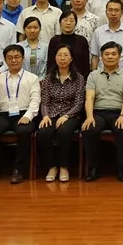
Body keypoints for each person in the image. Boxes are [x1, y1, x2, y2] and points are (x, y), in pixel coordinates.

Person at [0, 44, 40, 185]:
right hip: (3, 115)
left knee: (24, 131)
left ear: (23, 58)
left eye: (17, 57)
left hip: (24, 113)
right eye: (10, 58)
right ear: (5, 60)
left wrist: (28, 116)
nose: (14, 60)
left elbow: (35, 100)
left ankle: (19, 169)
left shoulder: (32, 78)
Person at [82, 41, 123, 182]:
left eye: (113, 54)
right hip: (98, 112)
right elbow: (89, 97)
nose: (110, 57)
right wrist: (89, 116)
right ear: (101, 57)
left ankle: (122, 168)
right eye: (106, 54)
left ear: (119, 56)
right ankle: (93, 168)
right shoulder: (93, 75)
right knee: (89, 129)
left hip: (118, 112)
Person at [37, 44, 85, 183]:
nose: (62, 58)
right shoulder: (48, 78)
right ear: (55, 58)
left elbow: (79, 103)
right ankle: (52, 167)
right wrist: (45, 116)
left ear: (71, 58)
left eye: (66, 55)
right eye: (59, 55)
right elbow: (45, 101)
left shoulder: (79, 78)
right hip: (51, 114)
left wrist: (66, 116)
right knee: (43, 132)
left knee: (63, 132)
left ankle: (64, 167)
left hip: (71, 115)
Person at [90, 0, 123, 76]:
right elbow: (95, 56)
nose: (113, 13)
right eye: (110, 10)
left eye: (116, 10)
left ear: (122, 12)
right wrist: (94, 77)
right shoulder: (98, 32)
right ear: (106, 12)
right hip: (102, 75)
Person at [49, 11, 91, 80]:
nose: (68, 23)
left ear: (75, 23)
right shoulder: (54, 41)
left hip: (78, 80)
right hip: (57, 79)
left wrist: (84, 80)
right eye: (65, 20)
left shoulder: (82, 41)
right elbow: (50, 63)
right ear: (60, 23)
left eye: (71, 20)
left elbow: (86, 64)